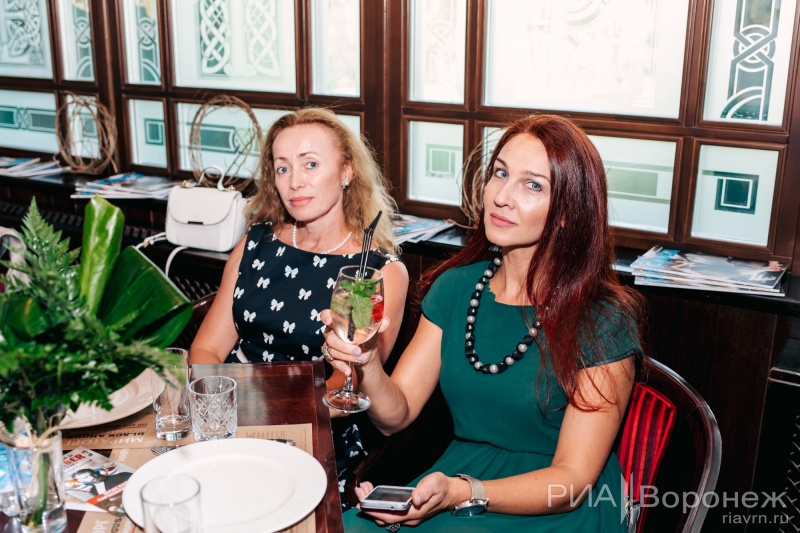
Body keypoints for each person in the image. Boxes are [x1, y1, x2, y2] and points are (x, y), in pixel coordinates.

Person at [323, 113, 645, 531]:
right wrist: (366, 362)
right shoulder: (455, 288)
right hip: (458, 476)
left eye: (533, 185)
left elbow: (573, 479)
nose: (502, 196)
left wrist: (463, 492)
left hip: (557, 501)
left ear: (569, 211)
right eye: (500, 174)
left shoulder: (603, 319)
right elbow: (395, 416)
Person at [189, 107, 409, 508]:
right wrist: (221, 411)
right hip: (230, 418)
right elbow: (206, 349)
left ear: (346, 171)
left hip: (314, 434)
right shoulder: (254, 244)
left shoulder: (376, 272)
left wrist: (261, 411)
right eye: (283, 168)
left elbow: (349, 384)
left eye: (311, 164)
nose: (295, 182)